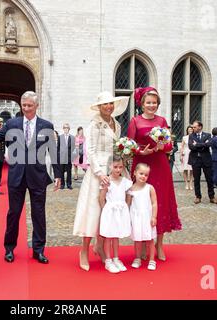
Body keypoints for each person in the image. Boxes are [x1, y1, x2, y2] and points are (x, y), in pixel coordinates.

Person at [0, 91, 61, 264]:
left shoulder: (46, 125)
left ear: (36, 106)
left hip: (38, 176)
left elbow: (53, 150)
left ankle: (39, 250)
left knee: (39, 214)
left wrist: (58, 174)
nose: (26, 109)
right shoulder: (12, 123)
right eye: (24, 105)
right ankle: (9, 248)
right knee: (13, 213)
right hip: (16, 175)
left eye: (29, 106)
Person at [73, 91, 129, 271]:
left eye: (111, 103)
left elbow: (115, 148)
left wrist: (123, 159)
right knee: (93, 212)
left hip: (113, 171)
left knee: (110, 212)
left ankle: (100, 247)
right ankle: (84, 251)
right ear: (99, 107)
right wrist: (99, 173)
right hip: (98, 174)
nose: (109, 107)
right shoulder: (94, 125)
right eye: (105, 104)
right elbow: (90, 150)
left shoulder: (117, 124)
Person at [127, 87, 181, 261]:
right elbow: (129, 145)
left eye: (154, 102)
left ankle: (159, 244)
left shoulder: (162, 120)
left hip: (159, 165)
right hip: (142, 164)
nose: (152, 105)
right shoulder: (135, 121)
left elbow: (169, 145)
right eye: (148, 102)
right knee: (141, 203)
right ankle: (143, 244)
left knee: (160, 202)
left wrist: (161, 146)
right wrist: (140, 152)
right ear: (142, 104)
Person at [98, 155, 132, 273]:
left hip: (120, 211)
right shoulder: (107, 181)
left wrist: (126, 206)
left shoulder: (125, 182)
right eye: (115, 167)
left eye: (120, 167)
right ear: (110, 166)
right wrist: (105, 210)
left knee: (116, 236)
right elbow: (101, 198)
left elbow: (129, 194)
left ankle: (116, 258)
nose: (118, 169)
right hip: (110, 211)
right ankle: (108, 260)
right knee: (108, 236)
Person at [127, 163, 158, 271]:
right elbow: (128, 204)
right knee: (137, 240)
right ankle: (137, 258)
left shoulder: (150, 188)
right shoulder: (130, 189)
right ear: (135, 173)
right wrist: (128, 219)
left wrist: (154, 217)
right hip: (136, 218)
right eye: (141, 173)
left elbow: (154, 203)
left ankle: (152, 260)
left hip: (147, 218)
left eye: (146, 175)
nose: (143, 176)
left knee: (150, 240)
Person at [188, 121, 217, 204]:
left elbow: (209, 144)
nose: (193, 128)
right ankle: (198, 196)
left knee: (209, 179)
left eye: (195, 127)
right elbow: (191, 147)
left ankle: (212, 196)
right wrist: (203, 144)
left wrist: (197, 144)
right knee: (196, 179)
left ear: (200, 127)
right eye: (193, 127)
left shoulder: (208, 135)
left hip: (206, 160)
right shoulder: (191, 136)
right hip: (195, 160)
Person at [58, 123, 75, 190]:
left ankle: (69, 184)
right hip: (62, 157)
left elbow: (73, 148)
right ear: (63, 129)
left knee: (69, 171)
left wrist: (72, 156)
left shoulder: (72, 137)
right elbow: (58, 147)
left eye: (67, 128)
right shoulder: (60, 137)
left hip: (69, 157)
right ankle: (62, 184)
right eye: (64, 128)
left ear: (69, 129)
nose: (66, 129)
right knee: (61, 171)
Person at [180, 125, 194, 190]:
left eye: (191, 130)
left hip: (192, 153)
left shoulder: (195, 137)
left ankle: (191, 183)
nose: (190, 131)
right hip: (185, 154)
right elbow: (182, 146)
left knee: (191, 169)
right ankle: (186, 183)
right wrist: (180, 155)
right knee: (185, 169)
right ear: (187, 131)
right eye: (189, 130)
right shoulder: (184, 137)